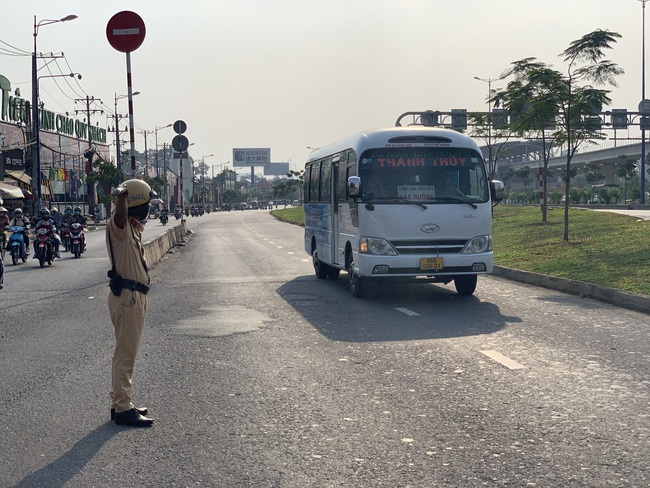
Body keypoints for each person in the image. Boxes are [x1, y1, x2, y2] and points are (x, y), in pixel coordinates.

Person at [106, 179, 156, 427]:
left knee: (125, 353)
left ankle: (119, 403)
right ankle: (124, 408)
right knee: (126, 355)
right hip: (128, 297)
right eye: (147, 203)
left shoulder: (134, 231)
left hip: (133, 296)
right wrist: (122, 199)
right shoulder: (120, 226)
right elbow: (119, 217)